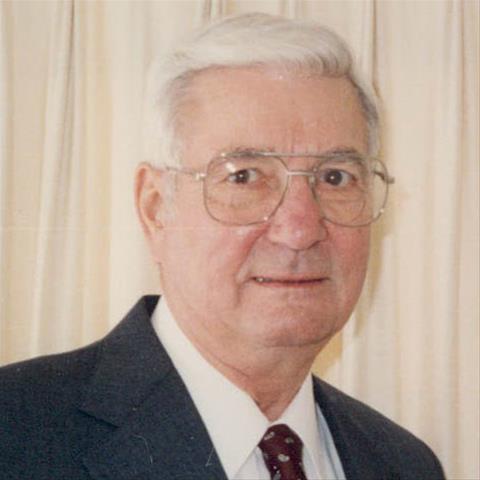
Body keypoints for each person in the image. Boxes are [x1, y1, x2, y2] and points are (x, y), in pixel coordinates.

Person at [0, 13, 444, 480]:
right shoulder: (15, 434)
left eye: (335, 177)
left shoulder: (404, 464)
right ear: (156, 208)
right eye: (244, 177)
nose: (299, 229)